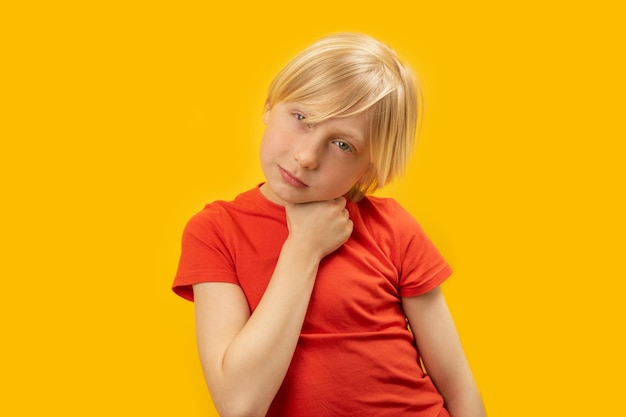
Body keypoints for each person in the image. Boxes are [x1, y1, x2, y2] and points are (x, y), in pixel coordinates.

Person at [172, 32, 486, 417]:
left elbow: (457, 385)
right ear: (271, 105)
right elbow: (240, 406)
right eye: (301, 118)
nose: (306, 156)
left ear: (370, 168)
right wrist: (303, 249)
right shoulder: (216, 231)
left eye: (343, 145)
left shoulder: (392, 227)